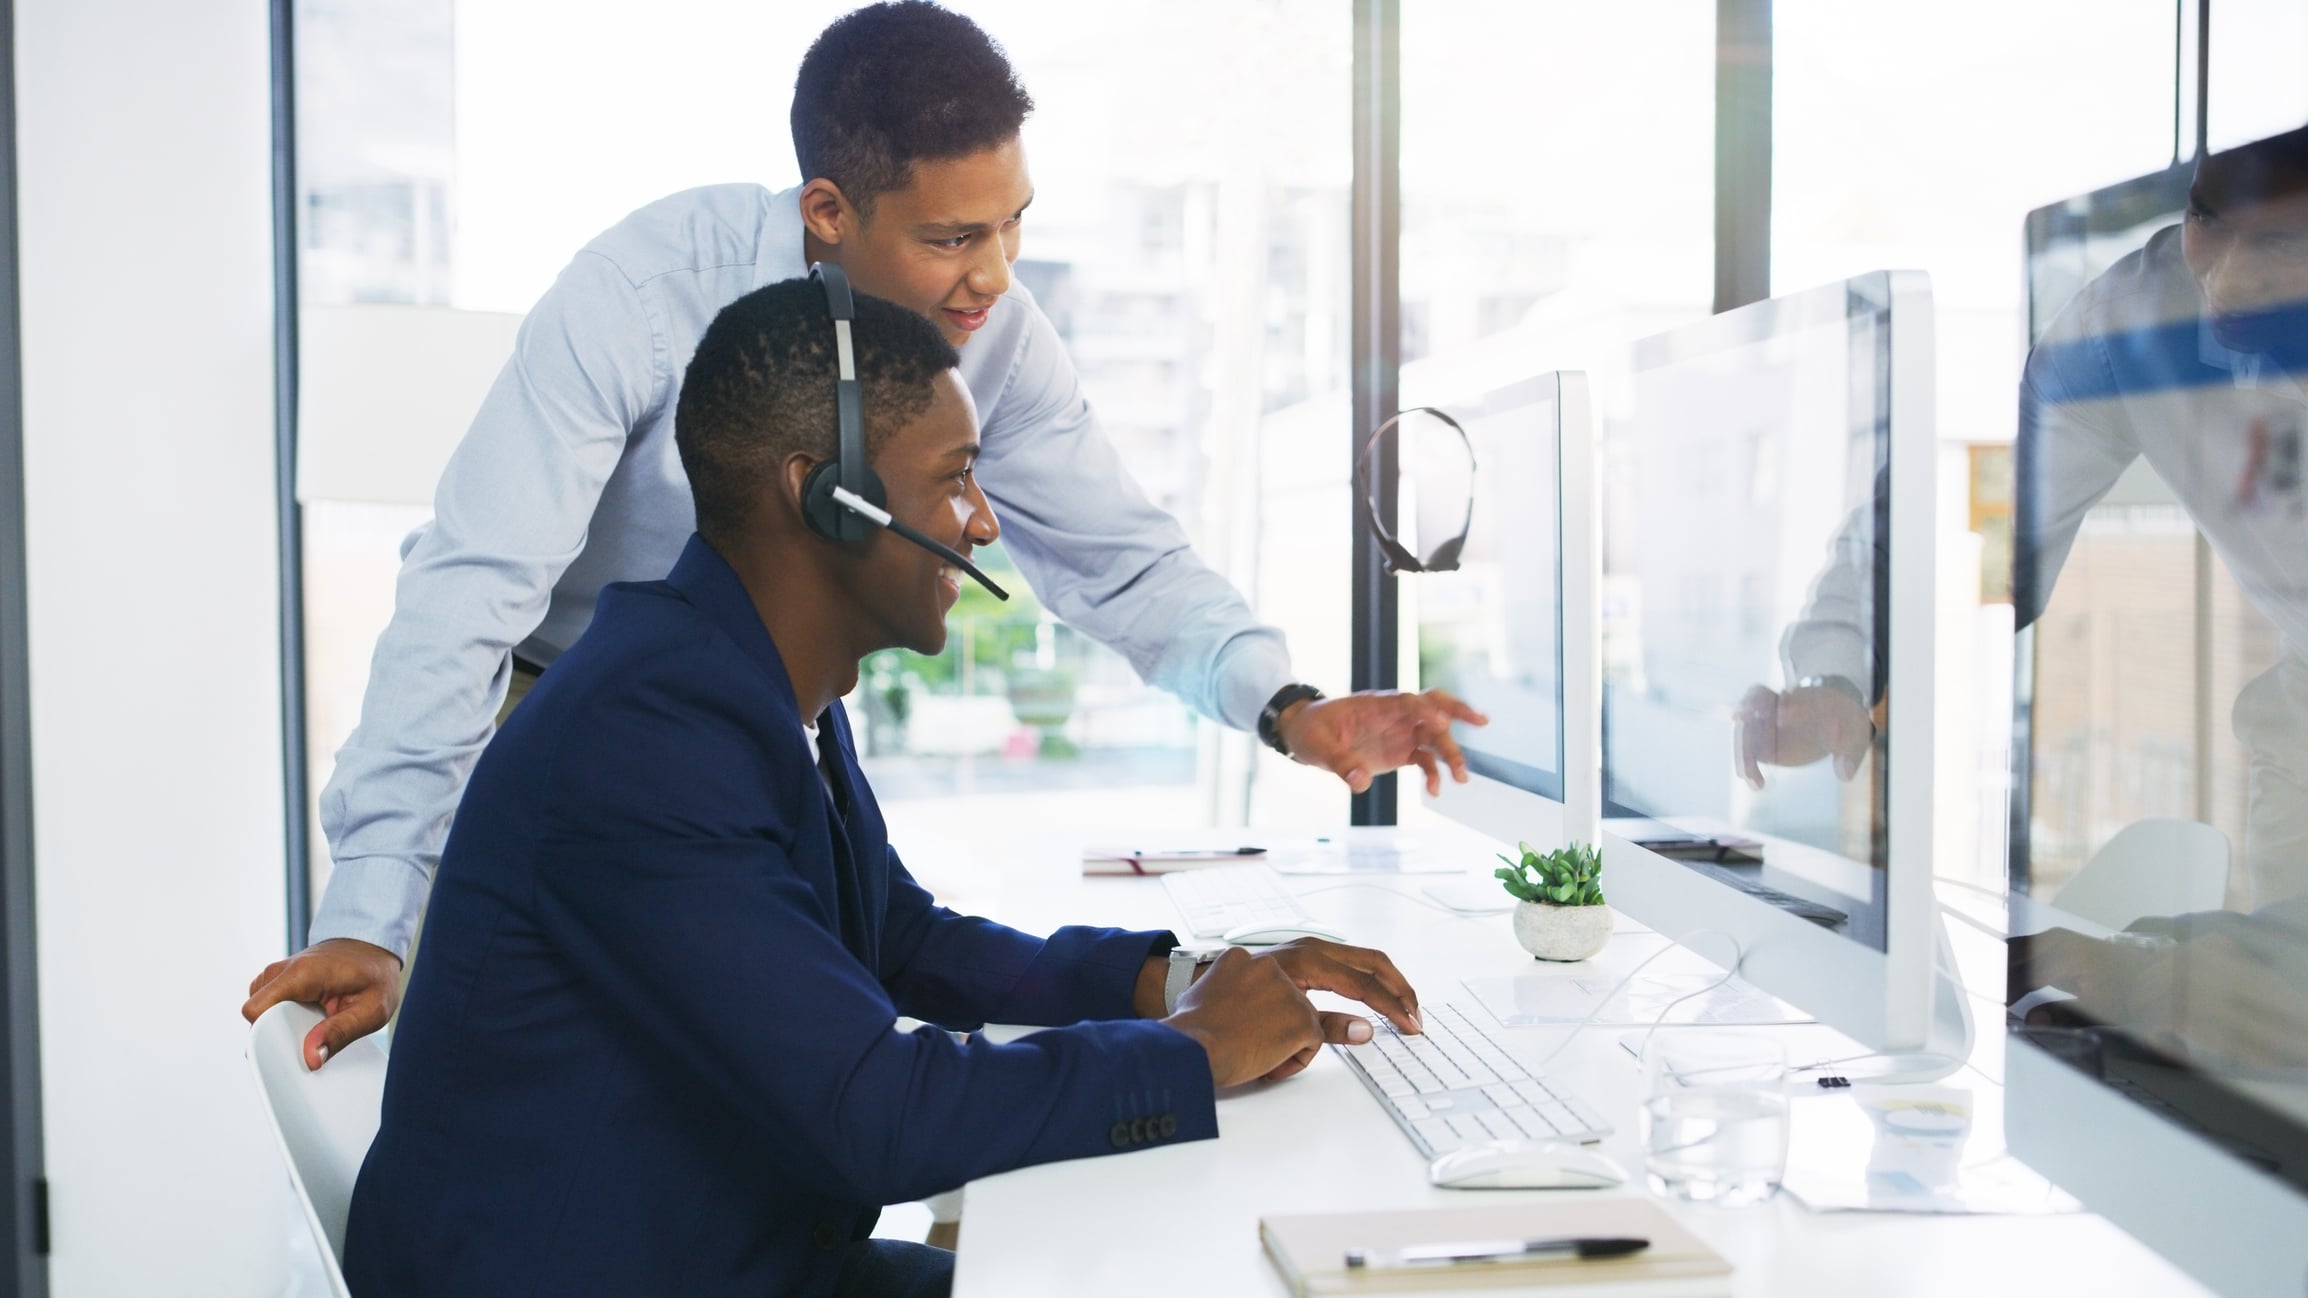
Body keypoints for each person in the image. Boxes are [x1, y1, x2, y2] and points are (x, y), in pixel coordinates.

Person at [243, 1, 1481, 1069]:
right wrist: (372, 907)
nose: (991, 277)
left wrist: (1289, 704)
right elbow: (469, 595)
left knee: (814, 1051)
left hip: (762, 718)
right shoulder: (640, 294)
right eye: (950, 236)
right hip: (564, 714)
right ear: (829, 210)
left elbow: (1121, 556)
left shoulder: (994, 329)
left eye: (1012, 225)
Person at [342, 275, 1424, 1298]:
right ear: (831, 499)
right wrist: (1191, 1051)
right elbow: (878, 1112)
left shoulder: (752, 683)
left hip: (726, 1255)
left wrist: (1179, 977)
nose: (984, 521)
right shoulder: (648, 730)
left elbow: (903, 939)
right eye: (955, 477)